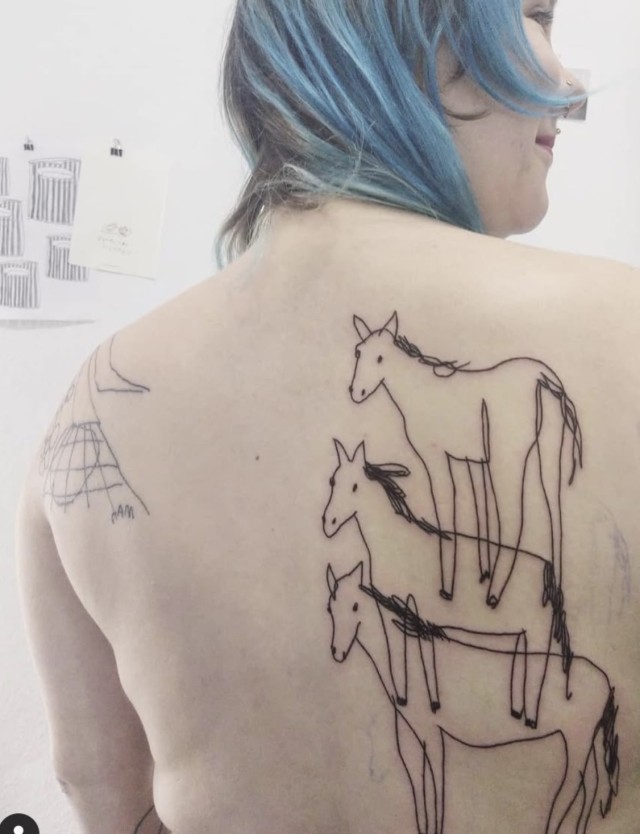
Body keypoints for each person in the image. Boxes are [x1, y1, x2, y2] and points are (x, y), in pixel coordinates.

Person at [14, 1, 639, 832]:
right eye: (535, 13)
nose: (564, 81)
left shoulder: (86, 419)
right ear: (415, 26)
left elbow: (99, 787)